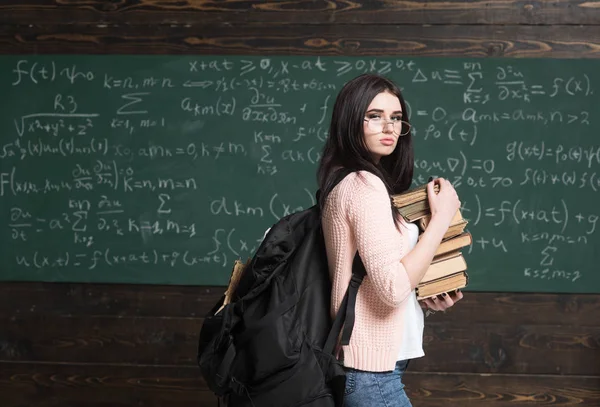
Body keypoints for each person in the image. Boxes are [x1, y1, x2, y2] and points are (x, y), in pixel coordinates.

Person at [316, 73, 464, 407]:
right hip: (370, 373)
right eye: (374, 116)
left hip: (377, 367)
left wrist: (423, 297)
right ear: (350, 121)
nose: (389, 128)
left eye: (396, 118)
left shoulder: (363, 184)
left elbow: (387, 282)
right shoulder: (362, 185)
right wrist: (441, 218)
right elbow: (391, 287)